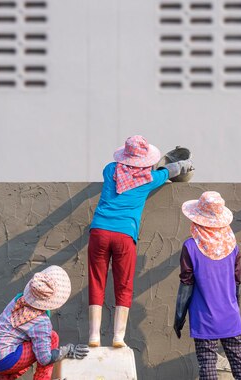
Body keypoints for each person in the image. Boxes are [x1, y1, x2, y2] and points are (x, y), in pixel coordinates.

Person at [88, 135, 193, 348]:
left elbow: (122, 172)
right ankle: (118, 337)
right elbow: (171, 171)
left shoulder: (110, 170)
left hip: (99, 231)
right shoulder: (150, 180)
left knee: (96, 281)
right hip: (124, 235)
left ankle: (93, 336)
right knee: (124, 284)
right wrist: (185, 164)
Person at [173, 191, 241, 380]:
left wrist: (179, 318)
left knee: (207, 363)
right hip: (230, 314)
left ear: (198, 219)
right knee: (238, 360)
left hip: (204, 316)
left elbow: (186, 283)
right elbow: (236, 282)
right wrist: (234, 309)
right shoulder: (233, 247)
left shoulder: (190, 246)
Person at [0, 265, 89, 380]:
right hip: (5, 360)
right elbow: (45, 359)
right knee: (52, 338)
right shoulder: (41, 322)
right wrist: (65, 351)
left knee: (14, 344)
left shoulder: (17, 300)